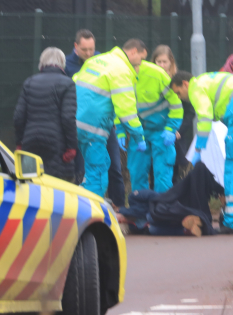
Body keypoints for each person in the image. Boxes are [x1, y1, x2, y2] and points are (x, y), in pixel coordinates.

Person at [170, 70, 233, 234]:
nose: (180, 97)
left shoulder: (196, 87)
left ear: (185, 84)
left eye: (179, 92)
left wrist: (199, 148)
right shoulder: (208, 79)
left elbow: (204, 116)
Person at [73, 39, 147, 197]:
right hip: (93, 127)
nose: (140, 64)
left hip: (77, 121)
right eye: (141, 59)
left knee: (100, 164)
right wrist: (138, 136)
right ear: (133, 52)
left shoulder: (98, 60)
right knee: (98, 176)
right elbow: (126, 110)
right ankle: (88, 214)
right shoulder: (121, 70)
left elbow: (76, 82)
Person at [65, 29, 126, 209]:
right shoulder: (68, 66)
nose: (89, 54)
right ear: (76, 47)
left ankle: (119, 207)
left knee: (114, 167)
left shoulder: (101, 61)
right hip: (82, 127)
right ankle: (85, 207)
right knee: (83, 169)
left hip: (105, 126)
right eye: (85, 50)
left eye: (92, 49)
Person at [13, 47, 78, 183]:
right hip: (57, 144)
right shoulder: (67, 84)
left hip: (30, 142)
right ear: (62, 63)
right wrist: (71, 147)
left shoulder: (29, 82)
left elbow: (18, 117)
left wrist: (20, 142)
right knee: (58, 188)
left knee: (30, 185)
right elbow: (68, 118)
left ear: (42, 62)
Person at [130, 55, 183, 193]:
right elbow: (120, 105)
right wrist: (121, 131)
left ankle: (162, 209)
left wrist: (171, 128)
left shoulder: (157, 75)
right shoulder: (122, 76)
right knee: (137, 171)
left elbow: (176, 105)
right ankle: (140, 209)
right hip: (139, 130)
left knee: (163, 173)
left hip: (161, 129)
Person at [151, 45, 193, 177]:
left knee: (172, 168)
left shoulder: (178, 81)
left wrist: (178, 130)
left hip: (174, 133)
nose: (162, 65)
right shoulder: (148, 81)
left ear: (171, 63)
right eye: (159, 62)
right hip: (154, 131)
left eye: (165, 62)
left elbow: (190, 112)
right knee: (154, 167)